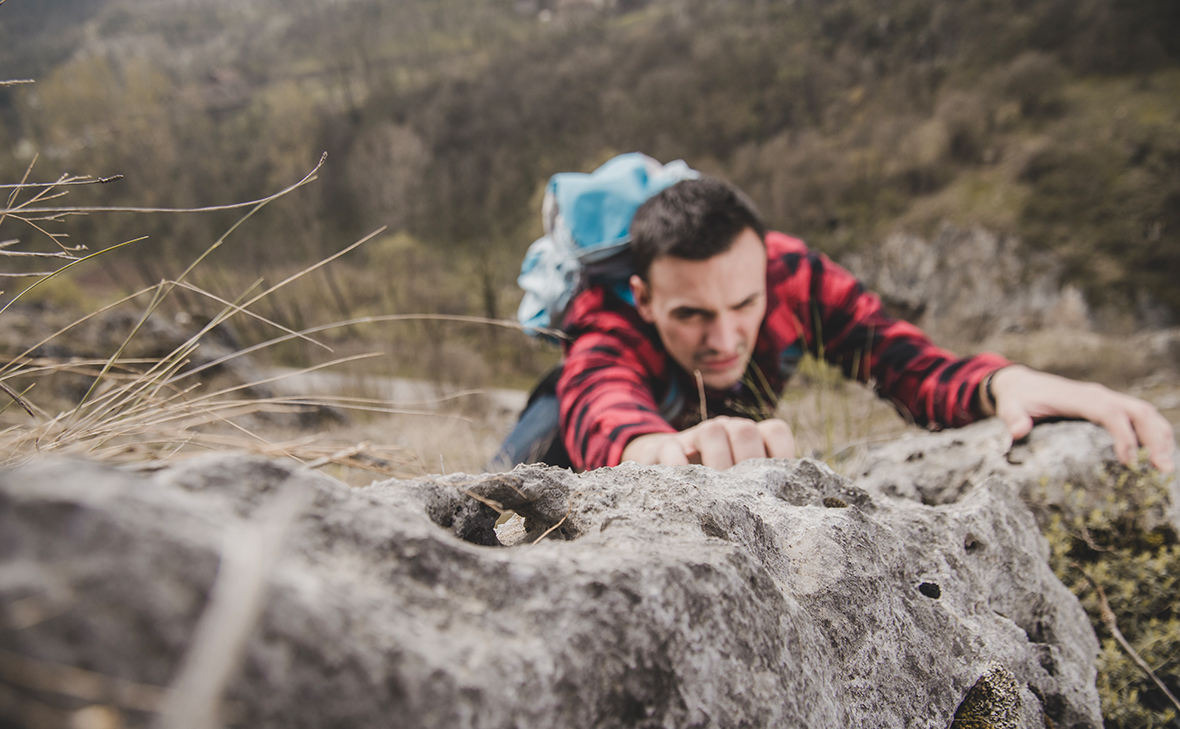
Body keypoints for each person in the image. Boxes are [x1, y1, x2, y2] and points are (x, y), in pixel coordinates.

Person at [491, 176, 1176, 474]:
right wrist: (655, 452)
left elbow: (909, 368)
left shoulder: (798, 276)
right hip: (595, 427)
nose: (725, 340)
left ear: (768, 271)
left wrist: (1005, 383)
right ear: (642, 298)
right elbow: (600, 405)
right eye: (691, 314)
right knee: (518, 464)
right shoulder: (608, 315)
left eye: (745, 306)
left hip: (730, 430)